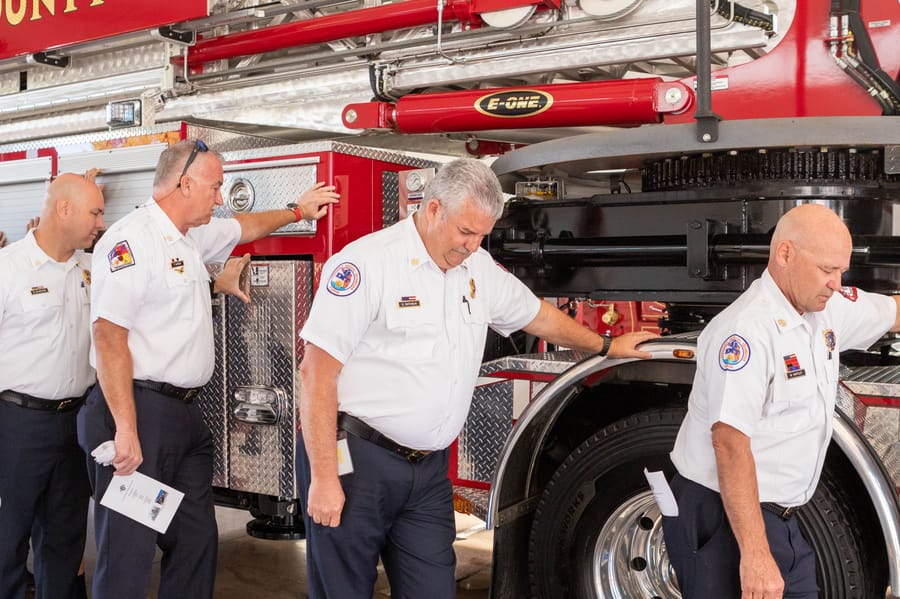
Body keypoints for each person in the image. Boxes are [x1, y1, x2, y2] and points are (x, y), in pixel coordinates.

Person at [297, 157, 656, 598]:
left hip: (426, 471)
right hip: (355, 461)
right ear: (432, 210)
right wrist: (323, 477)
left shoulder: (477, 268)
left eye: (481, 235)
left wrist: (602, 346)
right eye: (465, 232)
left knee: (432, 589)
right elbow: (315, 373)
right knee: (342, 590)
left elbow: (536, 316)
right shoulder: (366, 265)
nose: (472, 245)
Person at [76, 139, 339, 599]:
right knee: (129, 553)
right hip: (137, 412)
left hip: (183, 418)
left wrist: (297, 212)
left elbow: (245, 226)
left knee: (196, 543)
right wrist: (125, 428)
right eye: (216, 187)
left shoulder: (189, 236)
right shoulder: (130, 242)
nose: (220, 197)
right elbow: (109, 338)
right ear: (184, 183)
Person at [662, 203, 900, 599]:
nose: (837, 283)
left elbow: (892, 312)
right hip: (724, 516)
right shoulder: (745, 333)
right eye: (827, 270)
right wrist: (755, 555)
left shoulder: (825, 309)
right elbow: (730, 443)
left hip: (779, 517)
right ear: (785, 254)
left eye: (841, 270)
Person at [0, 173, 105, 599]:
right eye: (95, 212)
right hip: (18, 424)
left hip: (75, 423)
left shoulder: (92, 270)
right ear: (64, 210)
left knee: (64, 540)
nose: (101, 223)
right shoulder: (8, 270)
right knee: (7, 540)